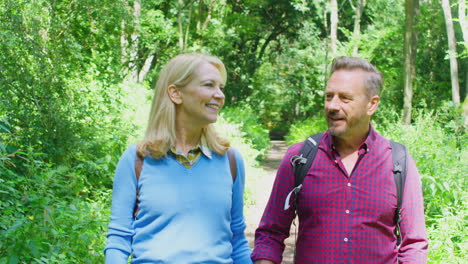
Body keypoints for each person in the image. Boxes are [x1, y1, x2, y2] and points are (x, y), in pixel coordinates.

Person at [251, 57, 428, 263]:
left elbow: (413, 243)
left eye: (345, 98)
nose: (332, 106)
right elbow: (270, 233)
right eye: (329, 96)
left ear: (372, 105)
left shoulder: (398, 161)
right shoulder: (299, 158)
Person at [105, 53, 253, 264]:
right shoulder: (137, 160)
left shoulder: (230, 160)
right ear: (175, 93)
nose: (219, 95)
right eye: (209, 85)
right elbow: (119, 239)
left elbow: (237, 239)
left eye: (221, 87)